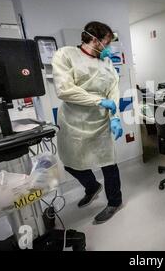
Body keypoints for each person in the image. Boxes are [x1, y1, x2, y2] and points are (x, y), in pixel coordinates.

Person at [52, 21, 124, 224]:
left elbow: (113, 89)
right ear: (94, 39)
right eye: (107, 42)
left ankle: (114, 202)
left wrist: (115, 115)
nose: (108, 48)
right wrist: (99, 100)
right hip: (73, 121)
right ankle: (92, 187)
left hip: (100, 120)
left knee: (108, 164)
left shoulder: (106, 63)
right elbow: (64, 90)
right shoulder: (65, 55)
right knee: (71, 163)